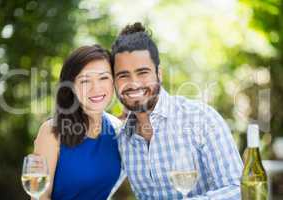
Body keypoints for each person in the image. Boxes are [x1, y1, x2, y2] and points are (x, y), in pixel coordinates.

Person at [111, 22, 243, 199]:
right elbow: (97, 187)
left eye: (142, 72)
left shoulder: (202, 119)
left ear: (159, 74)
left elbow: (237, 189)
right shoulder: (121, 138)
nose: (133, 83)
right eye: (123, 75)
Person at [33, 45, 124, 200]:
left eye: (103, 77)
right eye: (85, 81)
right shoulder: (51, 132)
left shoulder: (117, 129)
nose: (96, 88)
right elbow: (39, 196)